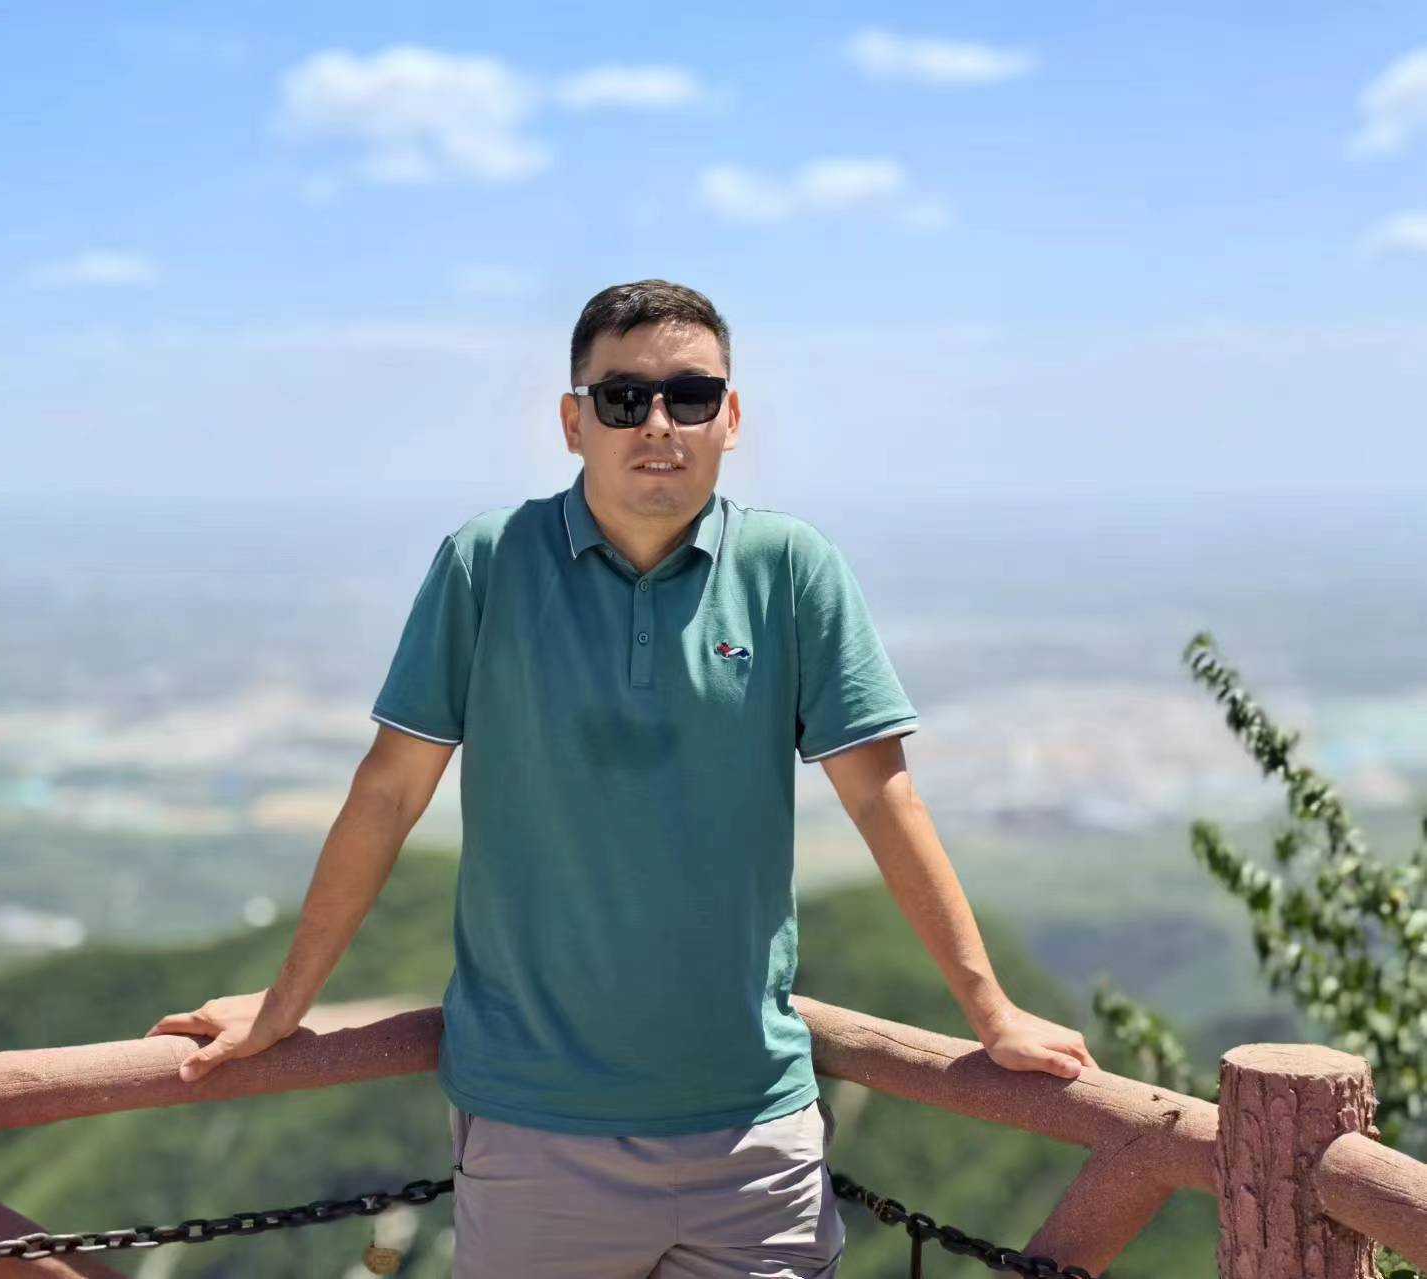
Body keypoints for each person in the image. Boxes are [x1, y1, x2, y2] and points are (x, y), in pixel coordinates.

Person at [147, 279, 1100, 1277]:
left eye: (689, 396)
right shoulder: (486, 563)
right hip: (533, 1129)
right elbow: (388, 792)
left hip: (755, 1130)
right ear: (573, 422)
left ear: (731, 418)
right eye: (621, 397)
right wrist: (284, 1003)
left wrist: (991, 1013)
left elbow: (882, 797)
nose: (657, 423)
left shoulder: (791, 569)